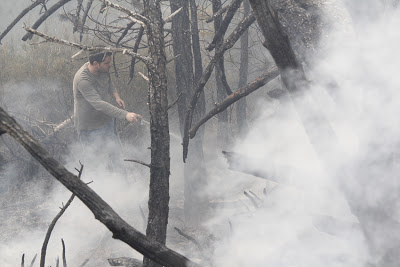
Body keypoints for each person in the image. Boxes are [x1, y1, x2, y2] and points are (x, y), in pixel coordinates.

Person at [73, 50, 142, 169]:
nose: (110, 65)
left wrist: (116, 97)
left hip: (106, 121)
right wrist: (125, 115)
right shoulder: (82, 80)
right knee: (94, 162)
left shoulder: (103, 69)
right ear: (95, 63)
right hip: (89, 128)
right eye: (107, 63)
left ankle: (122, 182)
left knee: (116, 156)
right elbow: (98, 104)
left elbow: (109, 84)